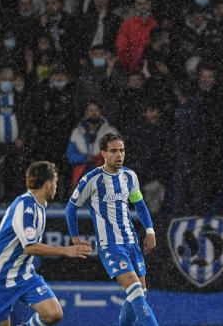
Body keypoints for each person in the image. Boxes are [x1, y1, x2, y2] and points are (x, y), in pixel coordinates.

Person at [0, 161, 92, 326]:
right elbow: (30, 247)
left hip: (24, 275)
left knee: (53, 314)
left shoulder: (39, 206)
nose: (56, 186)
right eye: (55, 182)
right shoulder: (25, 206)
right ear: (47, 184)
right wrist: (66, 250)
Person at [65, 133, 159, 326]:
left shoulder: (130, 177)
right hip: (111, 246)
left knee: (140, 292)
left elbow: (139, 205)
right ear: (103, 154)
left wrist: (150, 231)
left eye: (122, 150)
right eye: (114, 151)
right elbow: (71, 207)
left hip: (131, 242)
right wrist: (74, 238)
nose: (119, 155)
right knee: (135, 291)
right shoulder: (92, 179)